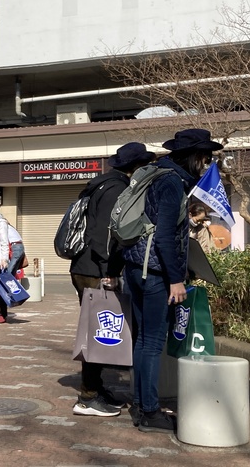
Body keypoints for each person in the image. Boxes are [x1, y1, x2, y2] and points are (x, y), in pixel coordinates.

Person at [123, 128, 222, 433]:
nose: (206, 165)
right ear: (193, 157)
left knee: (143, 340)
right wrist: (175, 279)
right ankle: (150, 412)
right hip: (154, 273)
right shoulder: (171, 183)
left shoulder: (155, 174)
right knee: (153, 342)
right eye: (205, 159)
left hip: (136, 266)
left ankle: (140, 404)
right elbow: (165, 235)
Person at [70, 141, 154, 418]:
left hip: (88, 266)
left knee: (100, 330)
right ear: (136, 166)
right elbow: (104, 236)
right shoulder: (116, 189)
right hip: (95, 269)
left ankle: (95, 388)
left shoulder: (102, 184)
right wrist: (110, 272)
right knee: (99, 333)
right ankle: (87, 397)